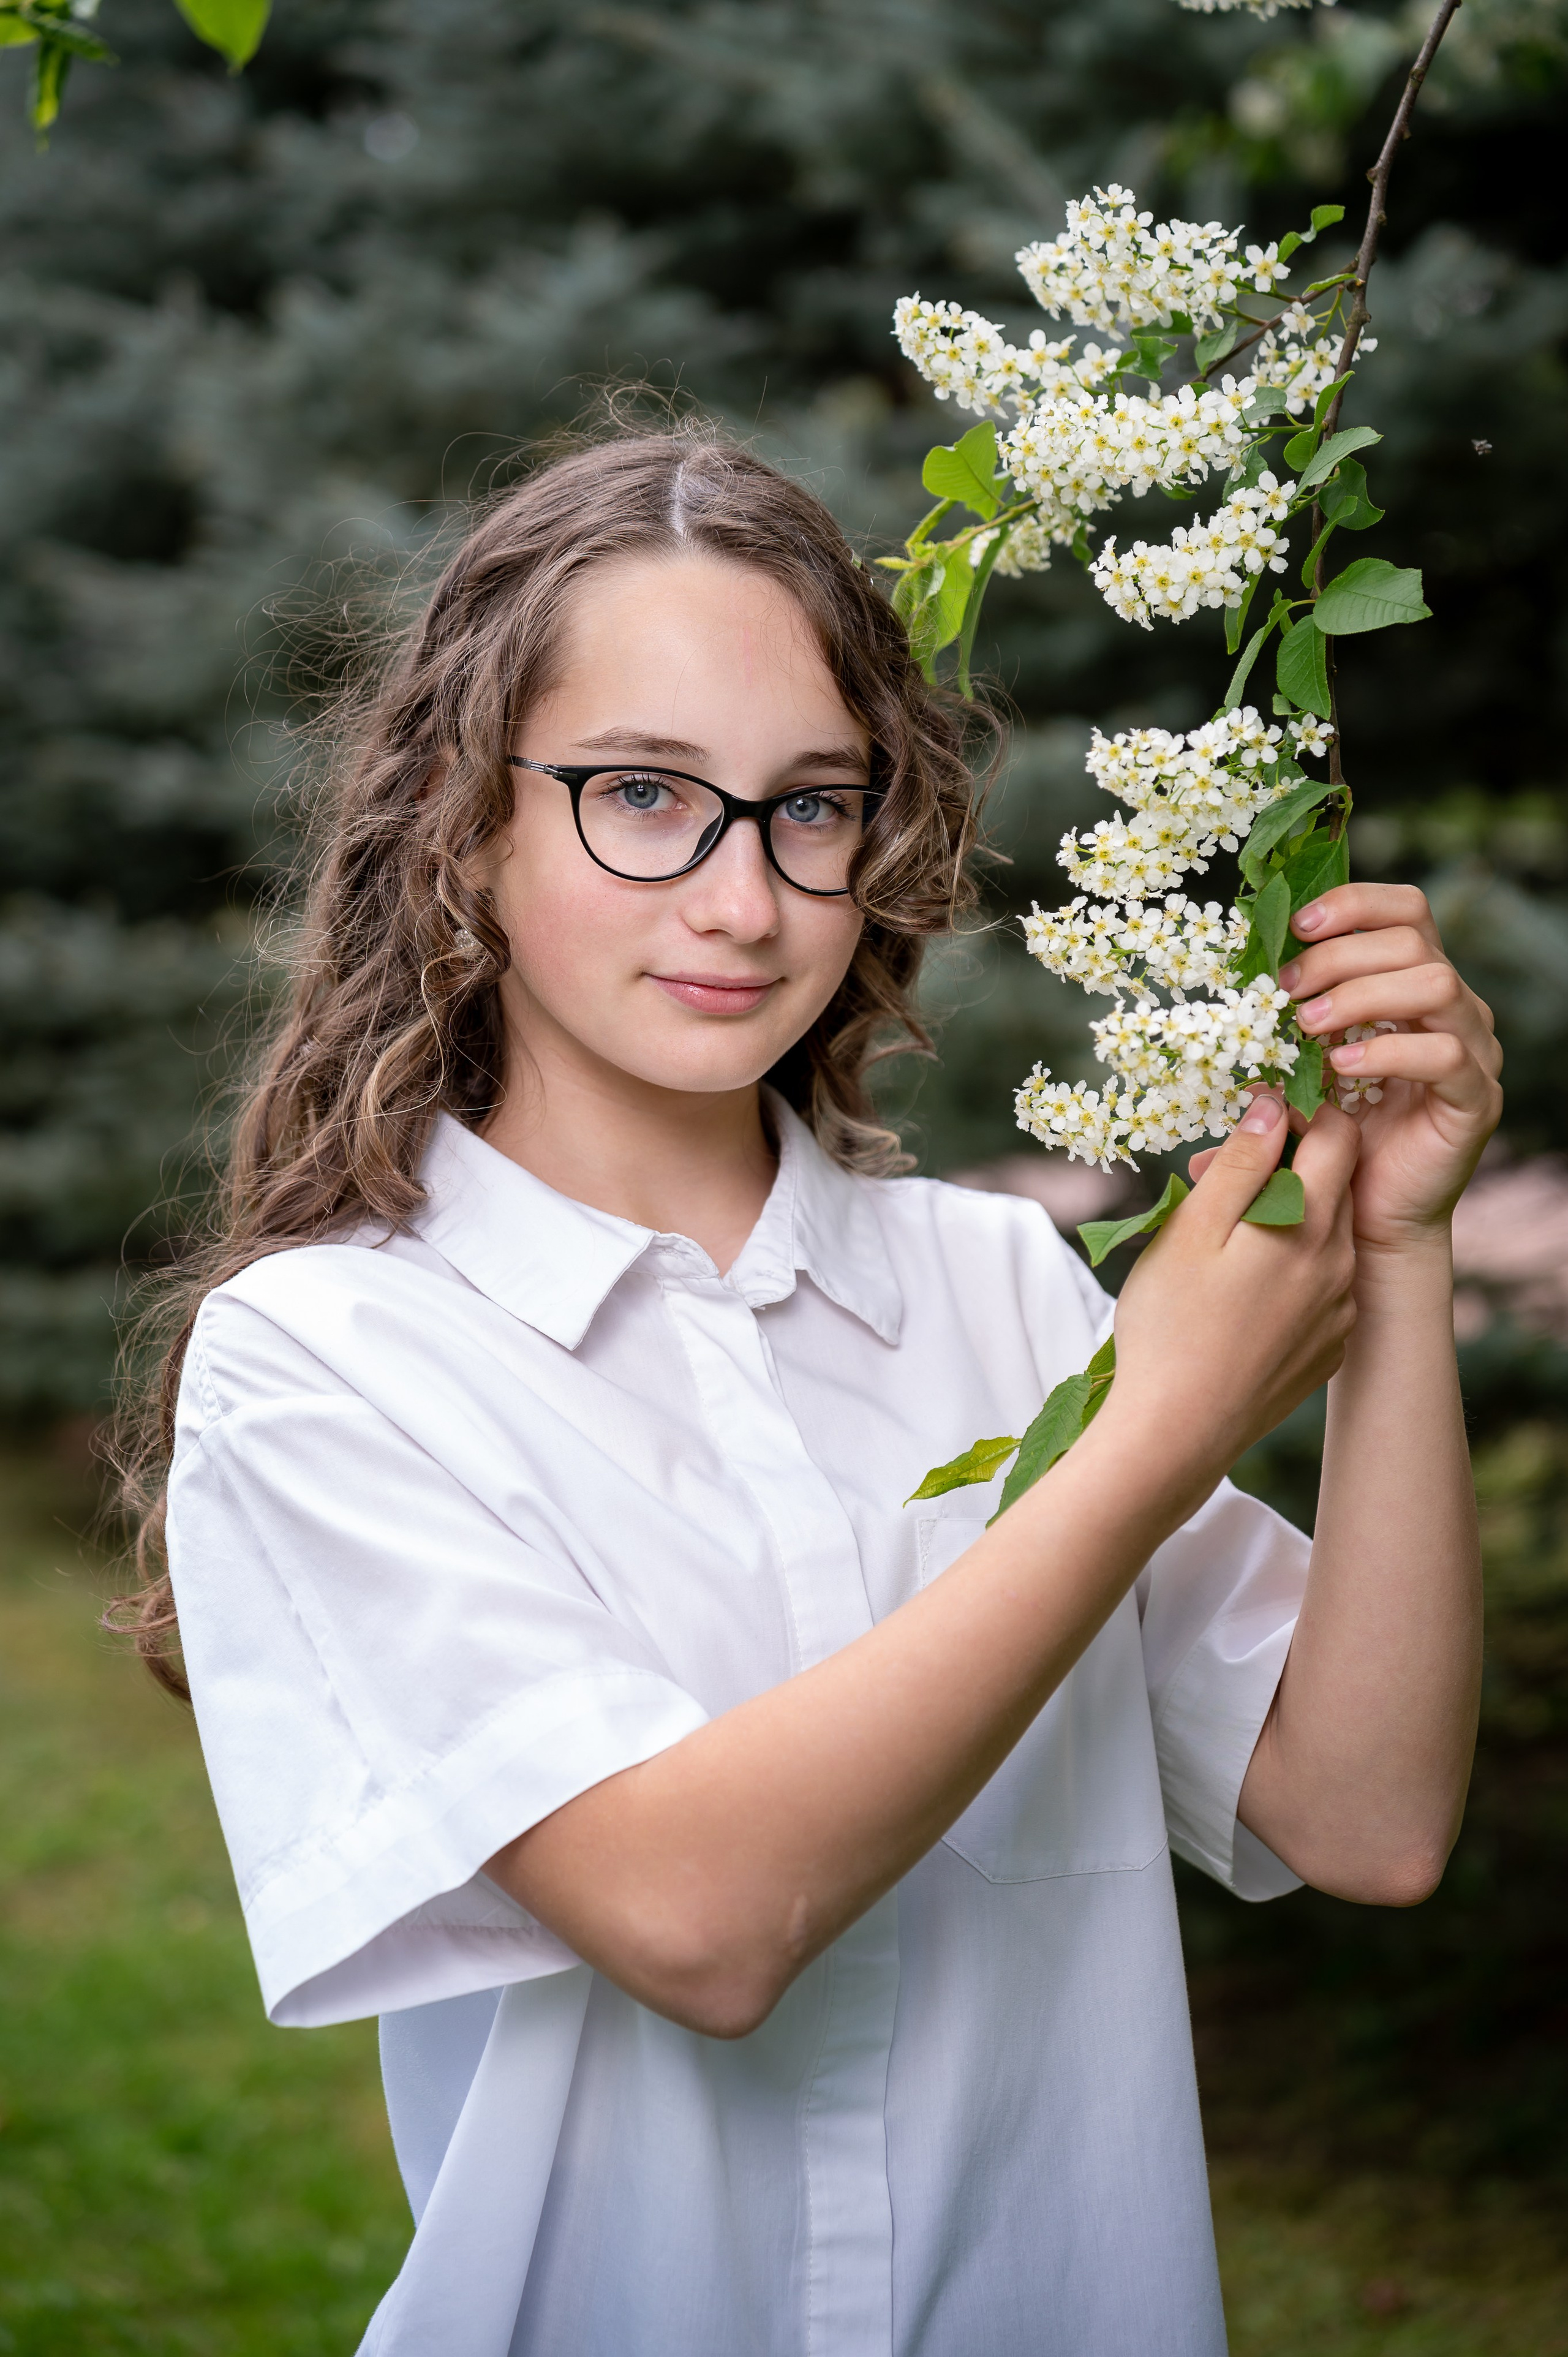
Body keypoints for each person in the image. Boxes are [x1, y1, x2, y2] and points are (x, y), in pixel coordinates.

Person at [120, 429, 1502, 2357]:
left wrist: (1409, 1252)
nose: (743, 900)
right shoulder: (338, 1355)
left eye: (810, 808)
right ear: (463, 810)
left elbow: (1365, 1817)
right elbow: (702, 1921)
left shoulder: (1001, 1287)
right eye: (643, 797)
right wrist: (1160, 1427)